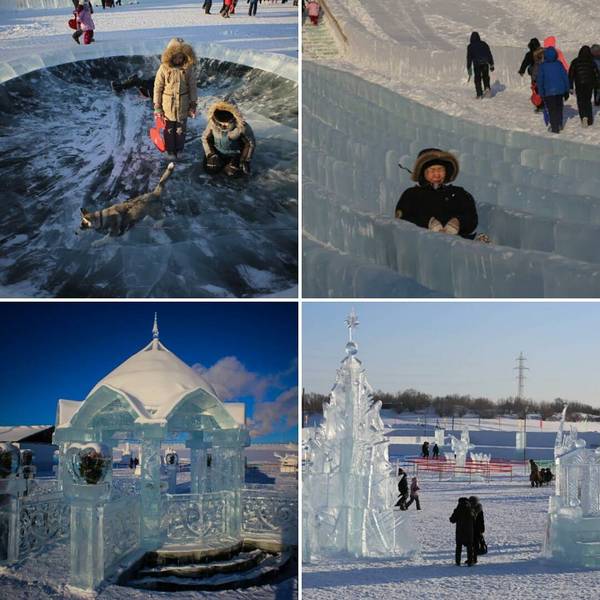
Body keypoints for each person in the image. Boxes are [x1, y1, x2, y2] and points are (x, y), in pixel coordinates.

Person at [395, 148, 478, 239]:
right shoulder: (411, 194)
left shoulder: (459, 193)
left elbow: (471, 217)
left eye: (440, 170)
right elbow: (402, 220)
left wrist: (458, 222)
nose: (437, 174)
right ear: (423, 172)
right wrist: (427, 223)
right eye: (432, 170)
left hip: (458, 242)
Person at [153, 38, 198, 160]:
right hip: (167, 105)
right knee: (168, 129)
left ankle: (179, 149)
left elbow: (192, 86)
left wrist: (193, 103)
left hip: (183, 104)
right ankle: (170, 150)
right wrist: (157, 106)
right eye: (176, 57)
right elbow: (158, 87)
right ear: (170, 56)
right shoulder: (163, 68)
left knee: (180, 129)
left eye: (181, 57)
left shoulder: (187, 69)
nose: (178, 60)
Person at [202, 99, 256, 176]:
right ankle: (216, 160)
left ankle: (233, 165)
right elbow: (205, 138)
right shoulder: (212, 124)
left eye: (227, 123)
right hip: (217, 152)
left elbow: (250, 144)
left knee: (232, 173)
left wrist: (244, 160)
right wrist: (210, 154)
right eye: (220, 123)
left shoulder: (242, 127)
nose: (223, 126)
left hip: (235, 155)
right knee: (211, 168)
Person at [537, 46, 570, 133]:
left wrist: (541, 92)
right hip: (560, 91)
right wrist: (567, 89)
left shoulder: (542, 66)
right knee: (559, 108)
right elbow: (565, 77)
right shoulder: (559, 64)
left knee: (552, 110)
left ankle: (554, 128)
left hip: (548, 92)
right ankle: (559, 123)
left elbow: (540, 80)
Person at [568, 45, 600, 127]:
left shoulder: (575, 62)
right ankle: (590, 119)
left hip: (579, 84)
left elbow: (570, 75)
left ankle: (583, 116)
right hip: (589, 84)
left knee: (581, 101)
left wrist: (570, 86)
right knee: (587, 101)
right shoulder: (592, 62)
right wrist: (596, 84)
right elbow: (596, 74)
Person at [467, 32, 494, 99]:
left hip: (477, 64)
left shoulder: (470, 46)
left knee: (477, 78)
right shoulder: (484, 44)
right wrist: (491, 64)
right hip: (485, 63)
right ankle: (487, 88)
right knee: (485, 76)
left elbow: (469, 58)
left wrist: (469, 68)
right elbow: (489, 54)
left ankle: (479, 94)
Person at [450, 497, 475, 566]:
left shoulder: (458, 509)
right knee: (469, 547)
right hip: (469, 531)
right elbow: (474, 519)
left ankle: (458, 562)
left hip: (460, 531)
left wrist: (455, 513)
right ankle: (470, 562)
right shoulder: (470, 509)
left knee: (458, 547)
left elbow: (452, 520)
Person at [469, 496, 485, 561]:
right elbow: (482, 520)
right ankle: (473, 558)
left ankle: (473, 558)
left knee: (473, 544)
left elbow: (481, 520)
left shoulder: (471, 509)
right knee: (474, 544)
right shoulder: (478, 508)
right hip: (477, 529)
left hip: (474, 528)